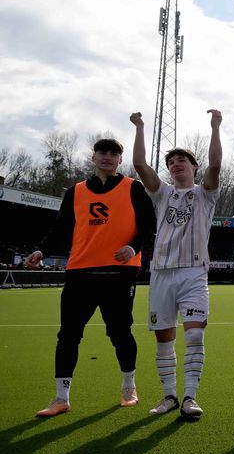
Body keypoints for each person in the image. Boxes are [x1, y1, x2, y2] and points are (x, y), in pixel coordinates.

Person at [28, 137, 156, 416]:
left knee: (119, 332)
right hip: (80, 273)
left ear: (119, 160)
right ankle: (61, 398)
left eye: (113, 153)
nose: (108, 157)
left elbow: (149, 225)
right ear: (94, 157)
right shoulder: (76, 191)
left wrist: (133, 246)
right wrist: (42, 251)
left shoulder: (132, 188)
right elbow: (61, 229)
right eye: (102, 153)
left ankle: (128, 386)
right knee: (68, 335)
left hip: (119, 274)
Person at [130, 109, 222, 419]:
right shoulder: (161, 194)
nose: (175, 164)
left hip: (194, 273)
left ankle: (190, 397)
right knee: (164, 336)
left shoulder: (205, 194)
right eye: (171, 162)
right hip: (161, 273)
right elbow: (140, 165)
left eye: (181, 160)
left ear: (193, 167)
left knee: (195, 334)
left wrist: (215, 126)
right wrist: (141, 127)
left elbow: (216, 165)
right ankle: (168, 395)